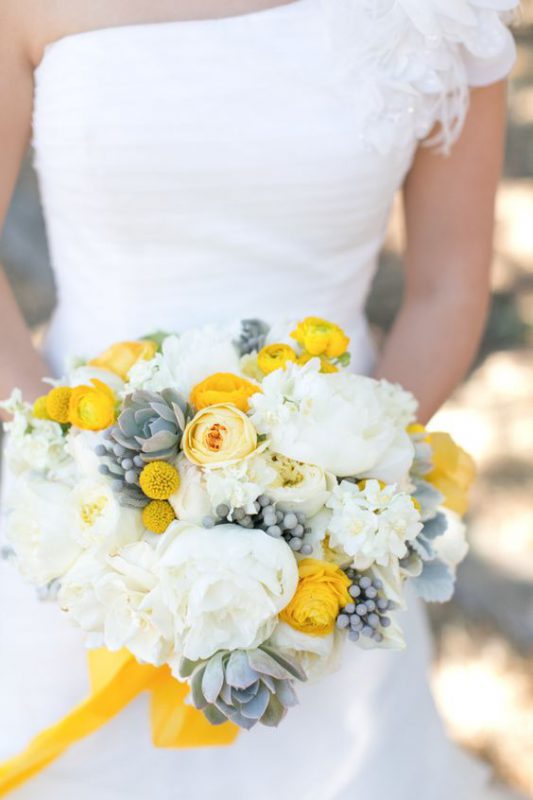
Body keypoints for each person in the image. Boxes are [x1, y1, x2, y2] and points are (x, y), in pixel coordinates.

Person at [0, 1, 520, 798]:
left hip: (327, 562)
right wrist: (71, 476)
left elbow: (447, 289)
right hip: (70, 520)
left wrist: (332, 510)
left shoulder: (441, 11)